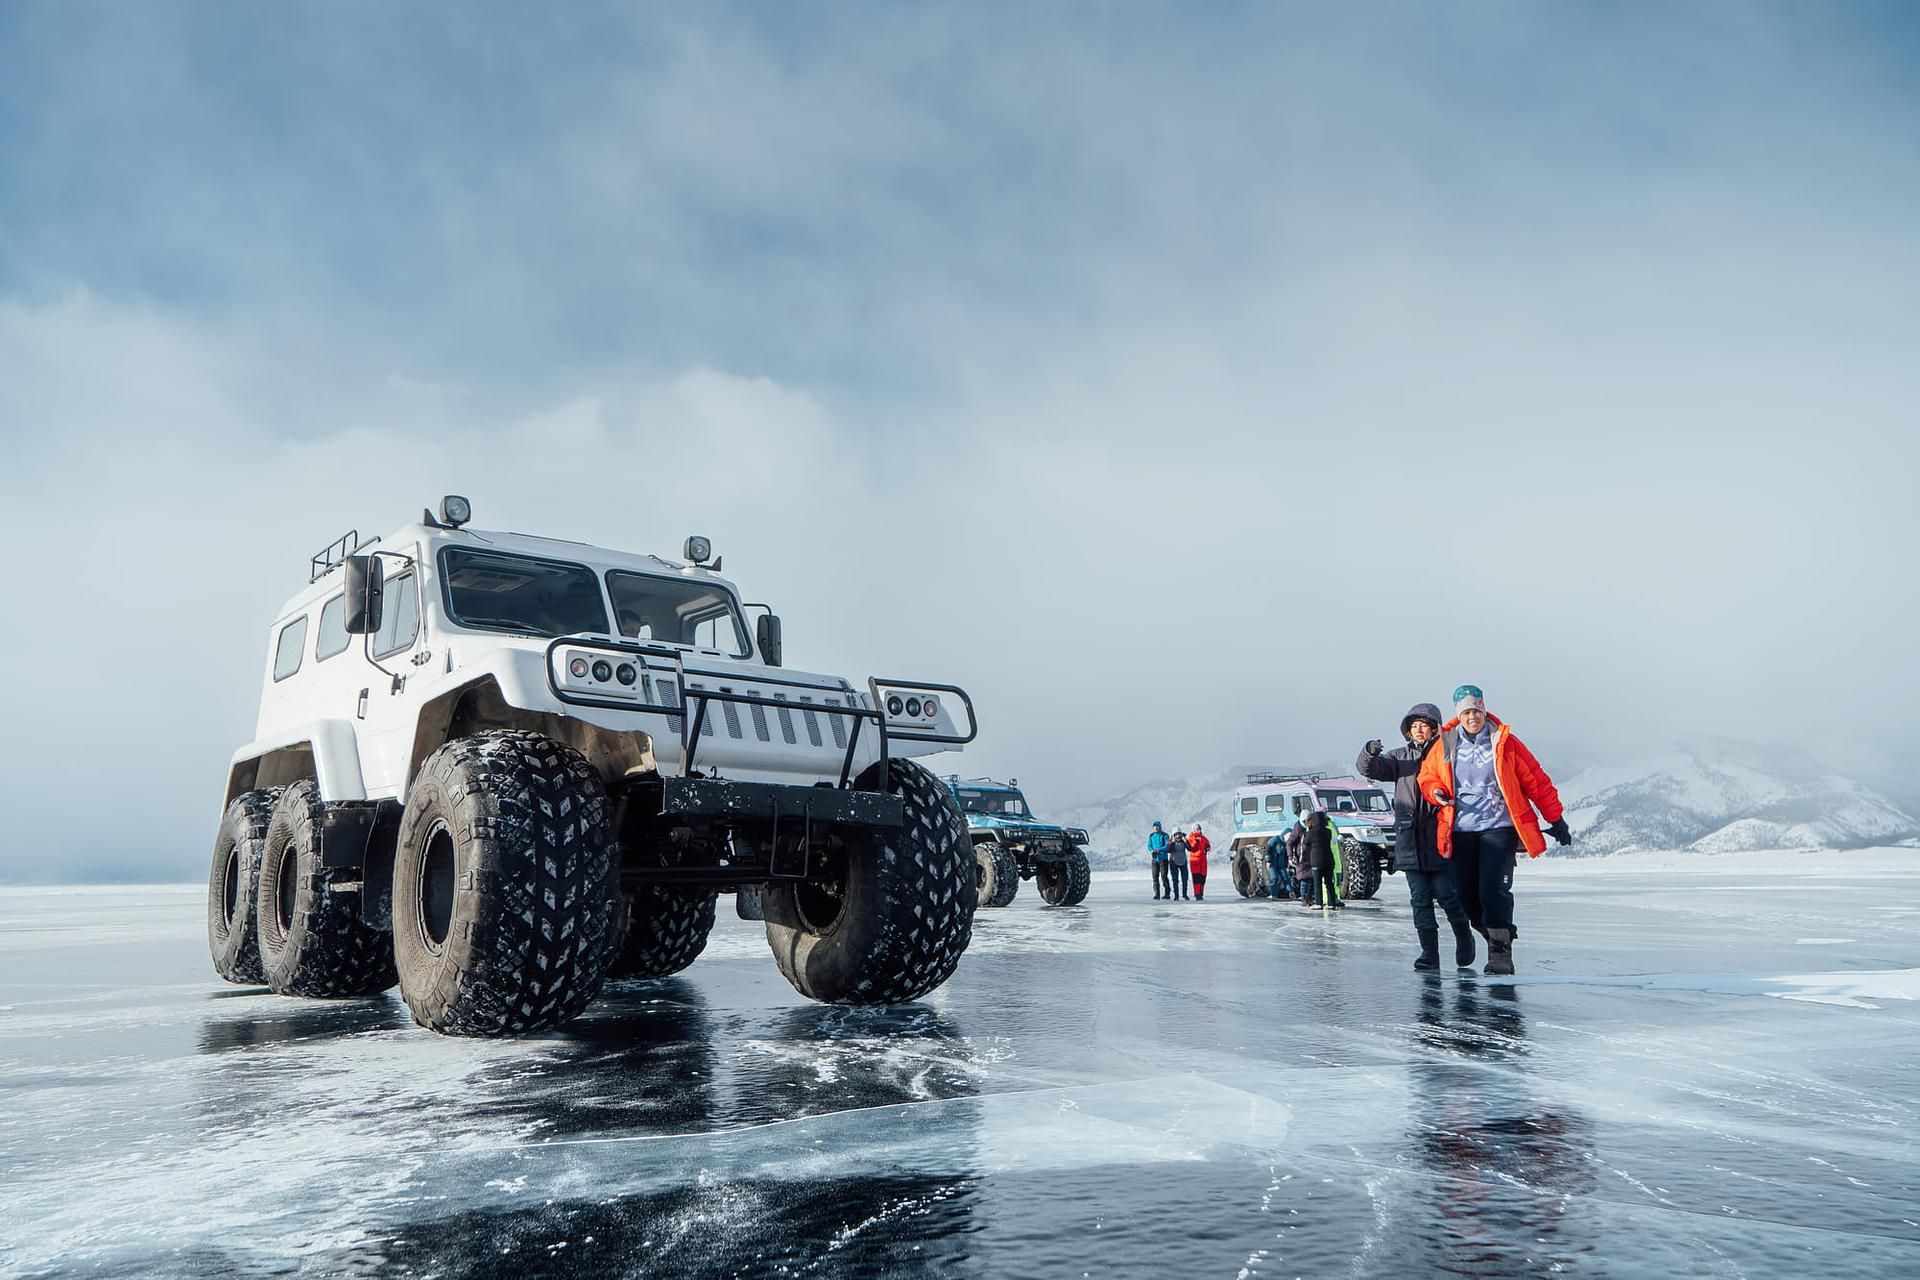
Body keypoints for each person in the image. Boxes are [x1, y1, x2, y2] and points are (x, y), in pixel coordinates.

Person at [1418, 685, 1572, 976]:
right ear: (1459, 715)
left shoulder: (1505, 742)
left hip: (1498, 828)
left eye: (1476, 710)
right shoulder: (1446, 744)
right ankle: (1494, 935)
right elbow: (1427, 776)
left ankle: (1500, 954)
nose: (1472, 717)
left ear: (1484, 710)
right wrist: (1435, 791)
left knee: (1492, 890)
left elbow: (1536, 782)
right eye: (1466, 712)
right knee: (1465, 895)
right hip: (1460, 829)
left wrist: (1556, 819)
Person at [1358, 702, 1476, 972]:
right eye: (1414, 726)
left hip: (1439, 838)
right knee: (1420, 900)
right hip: (1410, 841)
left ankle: (1464, 937)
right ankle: (1429, 954)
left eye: (1424, 725)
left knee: (1448, 896)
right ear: (1407, 731)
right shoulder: (1400, 758)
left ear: (1435, 728)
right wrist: (1368, 752)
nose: (1419, 730)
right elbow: (1370, 769)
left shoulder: (1447, 753)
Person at [1301, 808, 1343, 910]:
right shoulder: (1328, 831)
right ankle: (1332, 902)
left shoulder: (1311, 833)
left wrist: (1308, 830)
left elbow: (1305, 842)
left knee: (1317, 883)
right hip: (1329, 860)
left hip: (1317, 861)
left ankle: (1319, 903)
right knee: (1329, 883)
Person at [1263, 828, 1290, 901]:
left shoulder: (1285, 844)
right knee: (1274, 878)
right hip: (1272, 862)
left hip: (1280, 862)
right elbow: (1268, 849)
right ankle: (1273, 895)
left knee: (1285, 877)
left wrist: (1286, 863)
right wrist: (1268, 860)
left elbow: (1285, 854)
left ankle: (1291, 892)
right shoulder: (1275, 839)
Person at [1147, 822, 1171, 899]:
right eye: (1154, 826)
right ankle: (1157, 894)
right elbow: (1149, 845)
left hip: (1163, 859)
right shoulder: (1151, 836)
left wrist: (1159, 850)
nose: (1156, 828)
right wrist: (1152, 850)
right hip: (1155, 860)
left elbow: (1167, 846)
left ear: (1160, 827)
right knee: (1155, 877)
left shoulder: (1165, 835)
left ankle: (1167, 894)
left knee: (1164, 877)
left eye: (1157, 826)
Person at [1187, 824, 1211, 900]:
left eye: (1199, 829)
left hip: (1203, 861)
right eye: (1197, 829)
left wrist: (1208, 847)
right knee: (1196, 878)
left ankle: (1201, 893)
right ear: (1193, 830)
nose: (1199, 831)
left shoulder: (1203, 838)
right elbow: (1191, 848)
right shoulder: (1191, 837)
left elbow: (1208, 844)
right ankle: (1197, 894)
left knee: (1203, 878)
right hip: (1195, 861)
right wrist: (1195, 841)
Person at [1167, 828, 1192, 900]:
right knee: (1175, 879)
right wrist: (1172, 842)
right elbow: (1168, 850)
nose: (1178, 836)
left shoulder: (1184, 841)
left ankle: (1184, 894)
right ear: (1173, 835)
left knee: (1185, 878)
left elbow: (1190, 849)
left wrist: (1186, 841)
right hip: (1173, 862)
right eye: (1176, 834)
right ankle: (1176, 895)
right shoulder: (1171, 841)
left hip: (1183, 861)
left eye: (1179, 834)